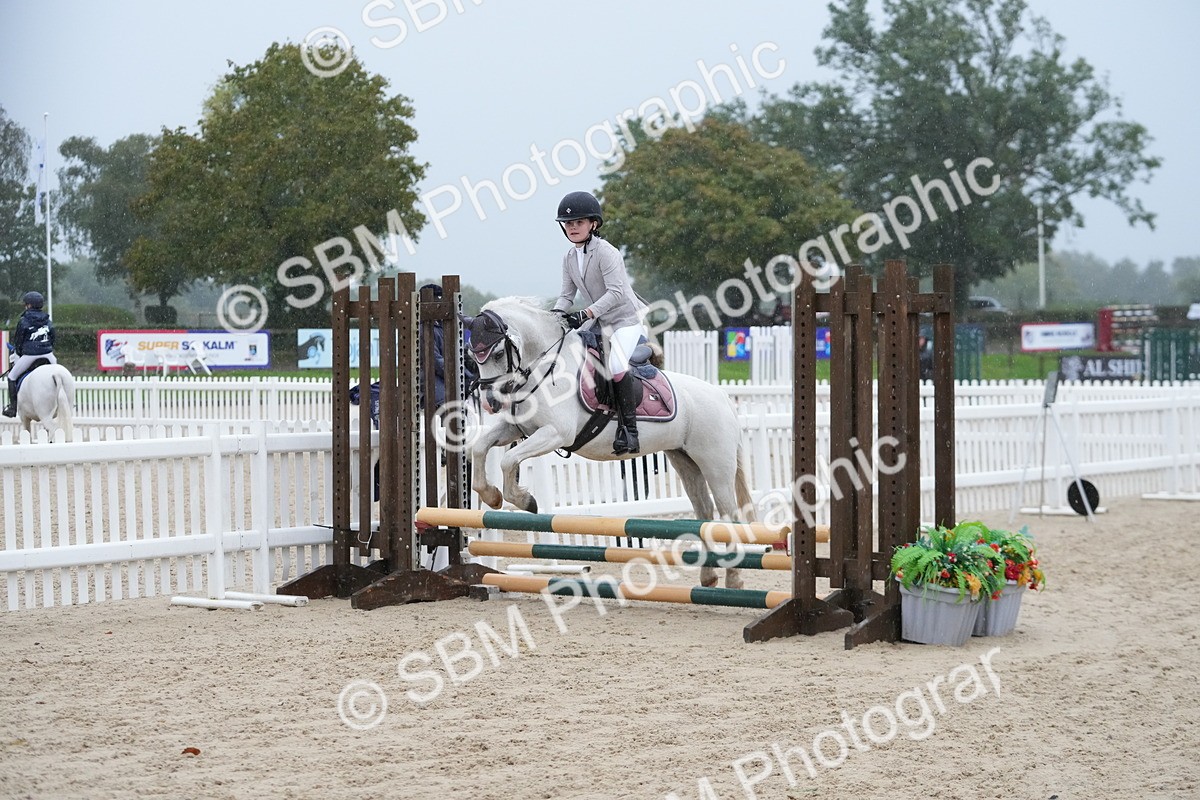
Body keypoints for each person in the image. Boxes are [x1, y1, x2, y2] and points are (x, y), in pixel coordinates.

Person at [551, 190, 647, 454]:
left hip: (626, 320)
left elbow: (616, 293)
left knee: (616, 364)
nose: (572, 227)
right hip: (599, 323)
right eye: (568, 223)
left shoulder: (606, 252)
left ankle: (630, 431)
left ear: (593, 224)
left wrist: (586, 314)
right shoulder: (569, 258)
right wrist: (554, 316)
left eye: (578, 222)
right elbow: (566, 296)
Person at [4, 291, 56, 417]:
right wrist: (47, 348)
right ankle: (67, 401)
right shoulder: (47, 319)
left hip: (30, 355)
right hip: (48, 354)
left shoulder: (23, 320)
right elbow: (53, 337)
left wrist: (20, 353)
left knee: (12, 376)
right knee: (58, 374)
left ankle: (13, 408)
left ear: (29, 305)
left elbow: (19, 341)